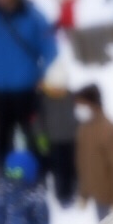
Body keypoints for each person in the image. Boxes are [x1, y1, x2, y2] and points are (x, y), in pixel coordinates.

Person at [0, 0, 58, 172]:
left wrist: (43, 73)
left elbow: (50, 48)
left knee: (32, 132)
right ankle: (2, 173)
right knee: (0, 134)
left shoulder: (33, 15)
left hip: (27, 87)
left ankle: (37, 172)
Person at [75, 85, 113, 220]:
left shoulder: (111, 132)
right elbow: (84, 165)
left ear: (93, 104)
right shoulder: (84, 130)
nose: (78, 109)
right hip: (100, 198)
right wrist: (84, 193)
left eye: (81, 105)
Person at [37, 66, 78, 205]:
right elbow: (38, 122)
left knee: (71, 167)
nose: (58, 91)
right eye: (56, 88)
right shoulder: (42, 98)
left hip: (70, 138)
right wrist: (42, 140)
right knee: (59, 170)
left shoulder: (70, 96)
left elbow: (73, 115)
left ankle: (73, 191)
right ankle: (62, 195)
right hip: (53, 141)